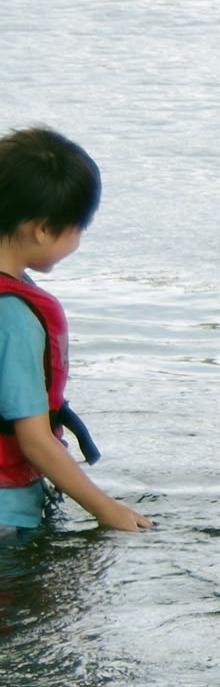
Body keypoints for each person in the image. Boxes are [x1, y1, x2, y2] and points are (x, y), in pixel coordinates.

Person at [0, 128, 151, 536]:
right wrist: (107, 510)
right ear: (42, 229)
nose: (77, 240)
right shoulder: (13, 316)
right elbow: (34, 440)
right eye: (76, 229)